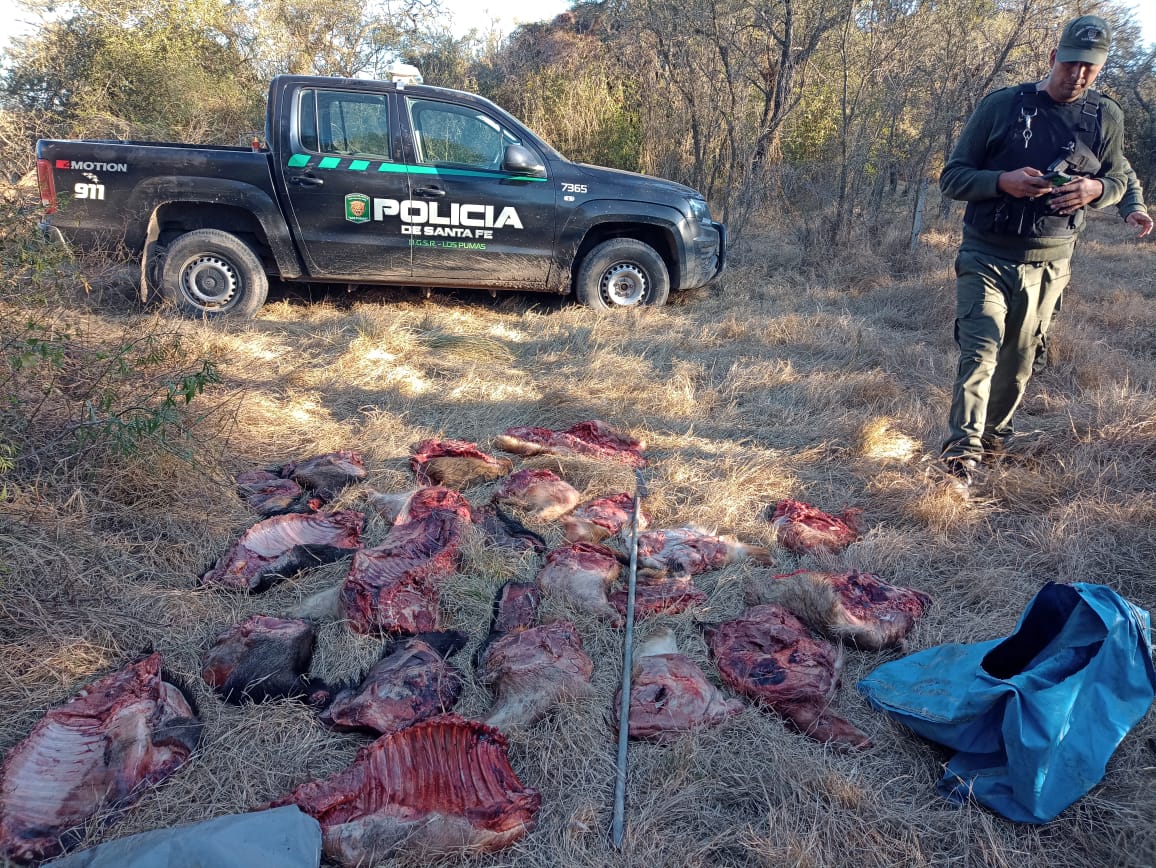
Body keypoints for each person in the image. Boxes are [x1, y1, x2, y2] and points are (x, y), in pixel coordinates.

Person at [936, 14, 1129, 491]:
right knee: (979, 352)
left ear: (1100, 69)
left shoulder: (1106, 116)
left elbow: (1120, 176)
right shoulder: (1003, 106)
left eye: (1090, 67)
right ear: (1052, 58)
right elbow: (952, 177)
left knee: (1019, 361)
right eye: (1070, 64)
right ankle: (961, 458)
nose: (1078, 74)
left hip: (1050, 264)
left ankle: (993, 439)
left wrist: (1095, 189)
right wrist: (1002, 182)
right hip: (986, 254)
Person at [1033, 158, 1150, 373]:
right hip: (995, 238)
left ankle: (1033, 367)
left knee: (1044, 311)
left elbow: (1119, 169)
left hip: (1058, 240)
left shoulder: (1092, 125)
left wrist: (1133, 206)